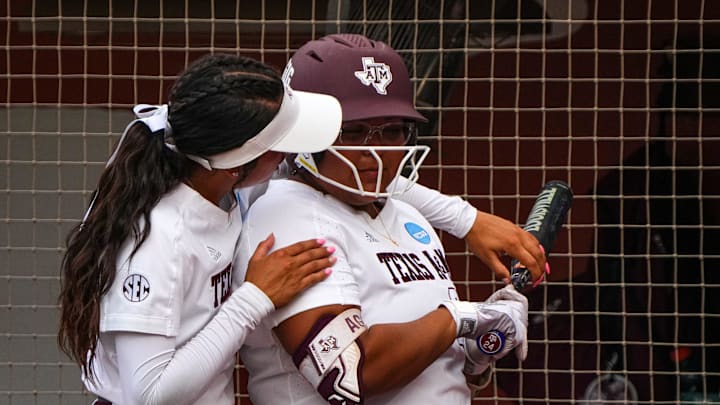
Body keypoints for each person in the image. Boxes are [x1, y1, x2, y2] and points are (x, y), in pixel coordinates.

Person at [235, 33, 531, 404]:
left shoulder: (407, 214)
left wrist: (475, 351)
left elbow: (431, 371)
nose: (377, 152)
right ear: (304, 136)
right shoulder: (289, 215)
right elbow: (349, 375)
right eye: (353, 132)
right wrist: (462, 317)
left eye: (392, 130)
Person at [57, 53, 343, 405]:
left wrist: (429, 204)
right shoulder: (157, 238)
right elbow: (148, 396)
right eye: (278, 146)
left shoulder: (225, 183)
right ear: (235, 165)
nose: (288, 156)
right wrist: (256, 297)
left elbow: (327, 174)